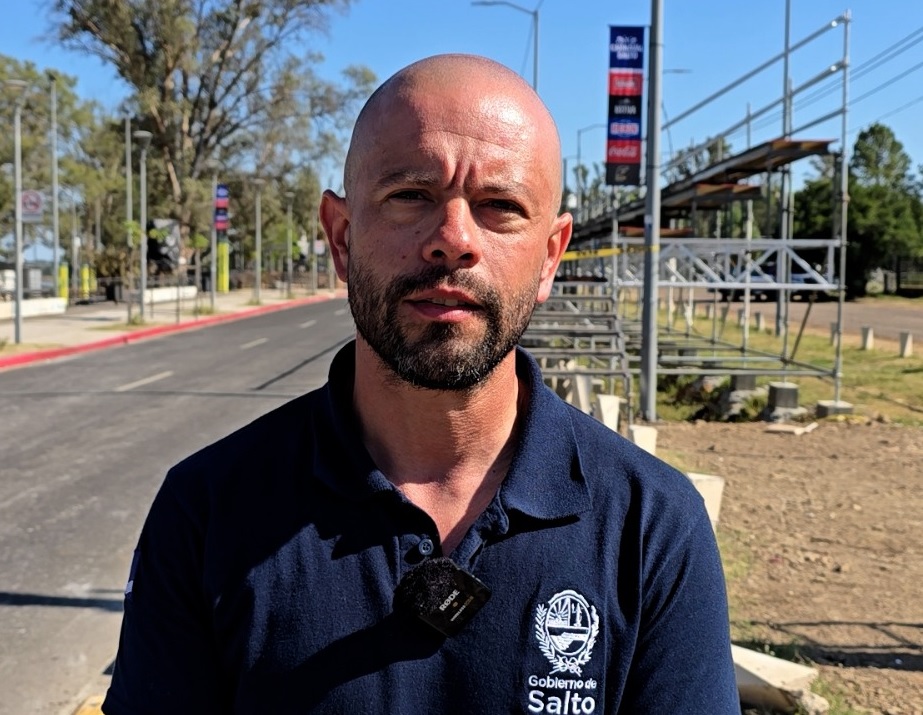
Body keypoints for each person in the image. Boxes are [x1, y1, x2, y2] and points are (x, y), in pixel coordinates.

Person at [103, 54, 739, 714]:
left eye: (500, 206)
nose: (452, 240)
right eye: (410, 196)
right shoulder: (207, 511)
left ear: (550, 256)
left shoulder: (651, 525)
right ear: (341, 237)